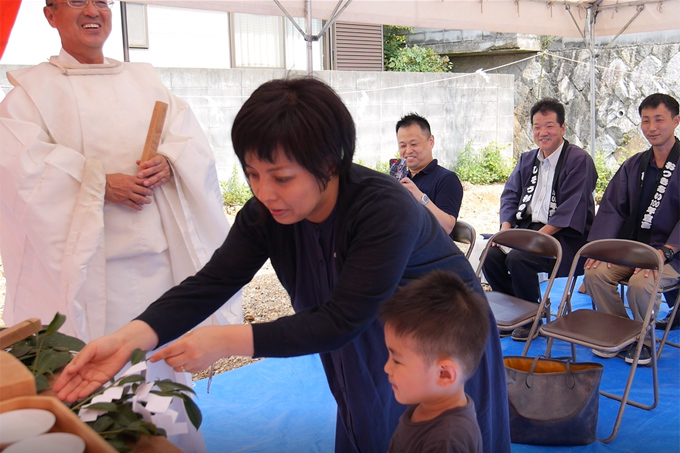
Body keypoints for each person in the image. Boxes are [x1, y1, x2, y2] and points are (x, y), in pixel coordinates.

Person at [54, 77, 511, 453]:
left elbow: (342, 318)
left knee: (431, 436)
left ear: (328, 163)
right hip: (369, 340)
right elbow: (214, 281)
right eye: (252, 174)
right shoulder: (268, 215)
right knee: (370, 424)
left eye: (282, 177)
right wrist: (129, 337)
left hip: (438, 341)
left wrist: (227, 340)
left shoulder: (381, 209)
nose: (264, 191)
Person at [0, 1, 241, 450]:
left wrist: (170, 163)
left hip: (156, 271)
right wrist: (95, 184)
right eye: (76, 2)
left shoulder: (143, 80)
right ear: (51, 15)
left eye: (102, 1)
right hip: (88, 277)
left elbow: (190, 141)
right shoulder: (30, 93)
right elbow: (21, 170)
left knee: (161, 383)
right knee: (93, 385)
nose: (93, 11)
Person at [483, 98, 597, 341]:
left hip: (566, 237)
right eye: (537, 126)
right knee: (491, 254)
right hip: (528, 231)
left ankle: (531, 318)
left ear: (563, 128)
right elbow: (510, 196)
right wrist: (505, 231)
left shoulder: (578, 160)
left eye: (549, 126)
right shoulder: (527, 159)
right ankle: (520, 311)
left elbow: (571, 207)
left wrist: (532, 240)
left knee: (519, 257)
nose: (542, 132)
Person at [584, 93, 680, 365]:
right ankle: (621, 332)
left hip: (673, 253)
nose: (651, 127)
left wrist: (666, 252)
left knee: (641, 283)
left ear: (675, 121)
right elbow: (613, 207)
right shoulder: (635, 164)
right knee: (595, 272)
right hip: (633, 250)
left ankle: (645, 340)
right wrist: (602, 248)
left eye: (659, 120)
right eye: (646, 120)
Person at [381, 270, 488, 453]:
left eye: (397, 360)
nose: (386, 368)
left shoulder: (446, 441)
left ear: (444, 373)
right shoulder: (426, 404)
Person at [395, 113, 463, 237]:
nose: (408, 150)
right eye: (403, 145)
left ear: (431, 141)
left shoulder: (447, 179)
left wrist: (421, 198)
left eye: (414, 144)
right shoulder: (401, 180)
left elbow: (447, 227)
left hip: (431, 253)